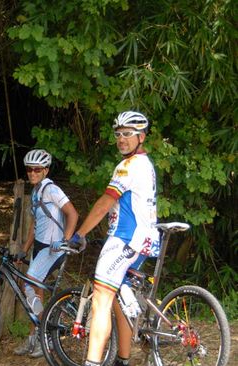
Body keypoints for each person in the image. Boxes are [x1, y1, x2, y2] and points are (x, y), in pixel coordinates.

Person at [70, 111, 158, 366]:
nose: (121, 139)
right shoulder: (147, 165)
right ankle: (123, 358)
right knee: (118, 294)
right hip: (143, 241)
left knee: (101, 299)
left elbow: (105, 202)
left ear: (141, 137)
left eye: (128, 134)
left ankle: (93, 363)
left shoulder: (129, 166)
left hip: (125, 239)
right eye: (118, 134)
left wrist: (80, 234)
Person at [14, 149, 79, 358]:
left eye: (37, 170)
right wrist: (23, 250)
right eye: (29, 170)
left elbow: (72, 213)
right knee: (37, 291)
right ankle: (34, 337)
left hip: (53, 248)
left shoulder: (52, 189)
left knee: (29, 284)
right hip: (40, 247)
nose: (32, 173)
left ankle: (46, 335)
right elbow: (35, 224)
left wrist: (65, 241)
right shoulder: (35, 192)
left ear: (45, 171)